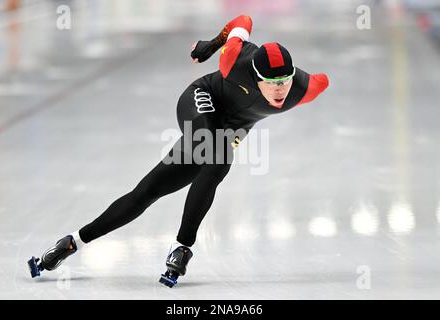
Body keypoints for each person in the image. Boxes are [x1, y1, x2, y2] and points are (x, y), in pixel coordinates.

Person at [27, 14, 329, 287]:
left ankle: (71, 243)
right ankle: (183, 247)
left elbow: (320, 79)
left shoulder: (307, 87)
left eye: (284, 81)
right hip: (202, 99)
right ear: (255, 76)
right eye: (271, 82)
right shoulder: (234, 59)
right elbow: (244, 20)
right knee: (218, 155)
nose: (280, 90)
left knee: (148, 191)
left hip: (232, 129)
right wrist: (212, 45)